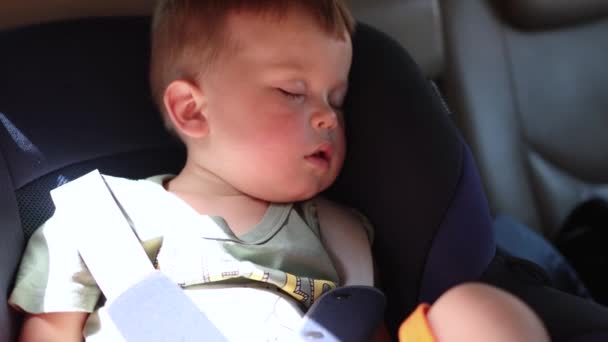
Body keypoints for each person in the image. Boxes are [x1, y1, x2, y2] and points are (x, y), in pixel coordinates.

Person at [9, 0, 549, 341]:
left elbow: (366, 326)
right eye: (292, 92)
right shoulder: (98, 221)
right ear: (192, 111)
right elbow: (52, 331)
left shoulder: (343, 236)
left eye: (337, 99)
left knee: (476, 312)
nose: (326, 117)